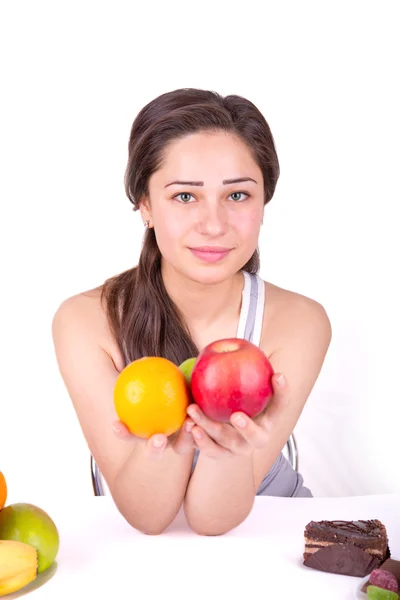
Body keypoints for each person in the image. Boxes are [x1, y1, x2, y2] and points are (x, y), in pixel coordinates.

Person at [51, 87, 332, 536]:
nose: (215, 224)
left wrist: (229, 452)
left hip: (270, 545)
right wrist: (175, 444)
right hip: (136, 558)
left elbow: (212, 520)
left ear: (263, 204)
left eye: (238, 196)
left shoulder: (300, 322)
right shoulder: (85, 322)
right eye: (185, 196)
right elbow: (148, 516)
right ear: (145, 204)